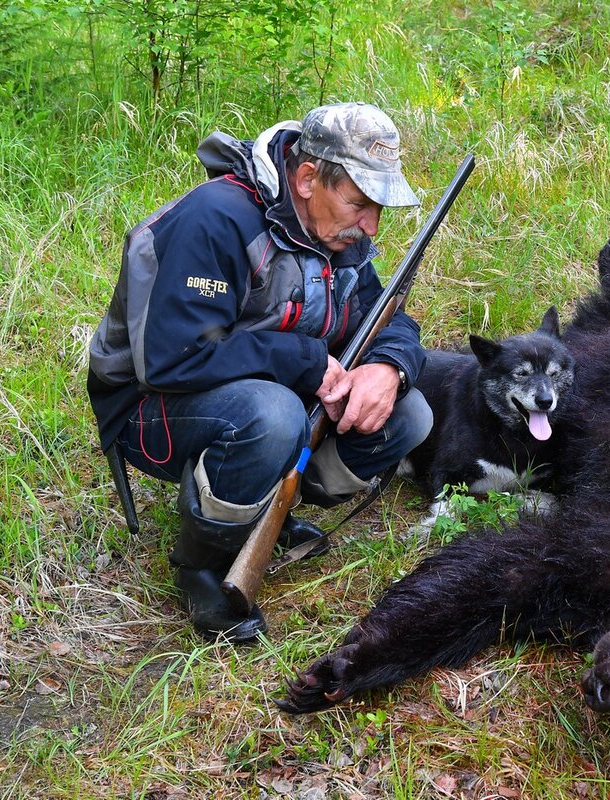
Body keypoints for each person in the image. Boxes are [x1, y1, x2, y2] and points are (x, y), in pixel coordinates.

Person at [87, 102, 433, 644]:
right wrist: (305, 361)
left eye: (378, 207)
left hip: (257, 389)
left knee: (409, 413)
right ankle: (201, 564)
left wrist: (389, 367)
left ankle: (270, 508)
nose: (371, 225)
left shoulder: (340, 234)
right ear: (306, 178)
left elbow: (385, 316)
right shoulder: (217, 219)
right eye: (360, 203)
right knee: (274, 414)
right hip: (145, 405)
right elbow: (172, 358)